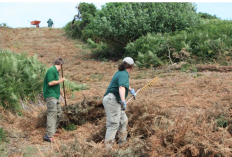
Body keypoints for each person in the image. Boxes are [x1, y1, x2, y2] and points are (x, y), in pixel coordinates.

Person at [102, 57, 136, 149]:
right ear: (132, 67)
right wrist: (123, 101)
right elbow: (121, 87)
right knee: (113, 124)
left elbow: (124, 84)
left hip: (114, 101)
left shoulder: (121, 73)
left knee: (123, 120)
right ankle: (108, 149)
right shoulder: (124, 74)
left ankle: (122, 144)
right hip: (112, 100)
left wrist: (130, 90)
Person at [43, 58, 66, 142]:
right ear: (60, 65)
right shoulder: (51, 70)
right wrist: (61, 80)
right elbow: (50, 83)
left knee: (59, 113)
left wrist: (62, 94)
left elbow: (56, 84)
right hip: (50, 95)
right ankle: (48, 136)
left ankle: (52, 131)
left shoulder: (56, 72)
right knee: (52, 113)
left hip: (55, 96)